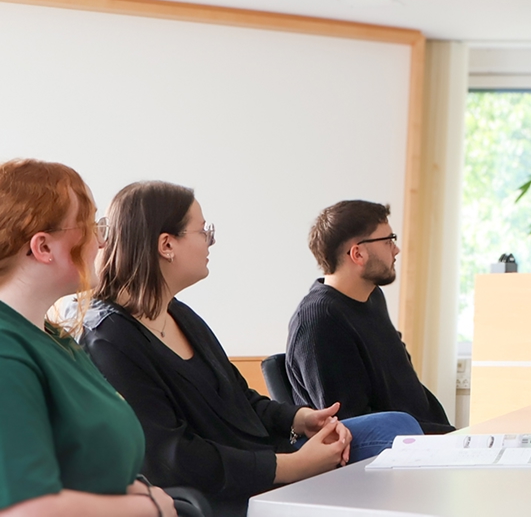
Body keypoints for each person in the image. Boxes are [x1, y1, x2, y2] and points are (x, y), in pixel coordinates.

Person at [79, 182, 422, 517]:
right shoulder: (111, 339)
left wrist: (301, 419)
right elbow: (173, 458)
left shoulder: (180, 315)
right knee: (392, 445)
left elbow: (242, 400)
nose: (211, 241)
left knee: (393, 427)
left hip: (264, 458)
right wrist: (293, 466)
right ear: (167, 245)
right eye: (203, 231)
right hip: (224, 491)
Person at [0, 159, 175, 517]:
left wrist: (141, 492)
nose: (100, 241)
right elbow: (25, 510)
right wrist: (149, 507)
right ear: (43, 247)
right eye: (90, 226)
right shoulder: (6, 351)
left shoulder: (55, 340)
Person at [285, 200, 454, 434]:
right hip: (393, 452)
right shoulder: (319, 321)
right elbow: (352, 425)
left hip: (426, 440)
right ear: (358, 253)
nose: (396, 249)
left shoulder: (372, 298)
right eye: (388, 241)